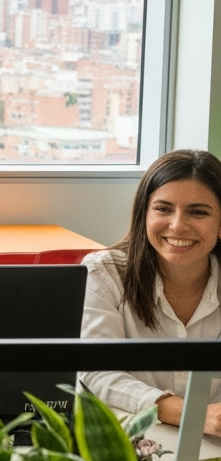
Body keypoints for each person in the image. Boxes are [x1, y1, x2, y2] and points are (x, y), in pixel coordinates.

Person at [80, 149, 221, 434]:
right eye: (163, 209)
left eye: (198, 212)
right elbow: (96, 370)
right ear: (143, 214)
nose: (178, 225)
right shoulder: (104, 272)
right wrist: (191, 414)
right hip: (131, 438)